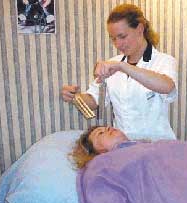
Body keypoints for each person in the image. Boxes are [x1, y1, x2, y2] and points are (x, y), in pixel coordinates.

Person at [61, 4, 178, 141]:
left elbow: (167, 86)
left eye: (122, 36)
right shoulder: (112, 64)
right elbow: (93, 101)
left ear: (140, 29)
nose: (118, 44)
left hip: (157, 144)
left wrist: (123, 67)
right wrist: (75, 97)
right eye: (113, 38)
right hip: (122, 145)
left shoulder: (164, 61)